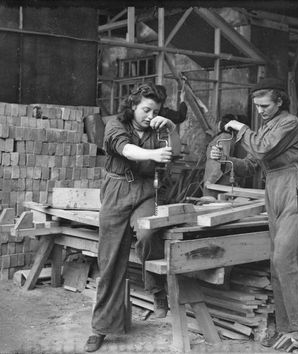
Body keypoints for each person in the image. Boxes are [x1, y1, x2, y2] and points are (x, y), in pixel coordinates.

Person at [217, 78, 298, 346]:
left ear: (279, 102)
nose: (260, 110)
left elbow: (263, 149)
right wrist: (227, 161)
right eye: (257, 106)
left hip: (295, 185)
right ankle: (290, 323)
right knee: (278, 258)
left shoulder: (290, 123)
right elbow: (254, 164)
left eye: (265, 105)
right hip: (274, 185)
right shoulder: (266, 128)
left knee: (289, 256)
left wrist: (241, 128)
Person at [85, 82, 176, 352]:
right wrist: (152, 154)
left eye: (155, 111)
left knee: (148, 232)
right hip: (117, 189)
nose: (150, 115)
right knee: (111, 258)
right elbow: (125, 150)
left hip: (146, 190)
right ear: (133, 105)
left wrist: (170, 128)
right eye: (146, 109)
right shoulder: (115, 124)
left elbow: (177, 152)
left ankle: (158, 292)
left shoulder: (157, 128)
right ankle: (101, 328)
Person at [203, 114, 260, 198]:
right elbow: (219, 164)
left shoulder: (226, 138)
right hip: (215, 184)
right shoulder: (226, 137)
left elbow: (224, 161)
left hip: (216, 184)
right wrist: (211, 182)